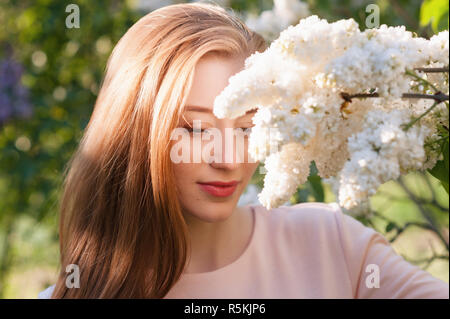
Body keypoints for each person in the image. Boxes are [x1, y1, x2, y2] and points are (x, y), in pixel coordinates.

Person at [38, 2, 449, 299]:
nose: (229, 159)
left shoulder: (333, 246)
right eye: (196, 129)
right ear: (134, 131)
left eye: (249, 127)